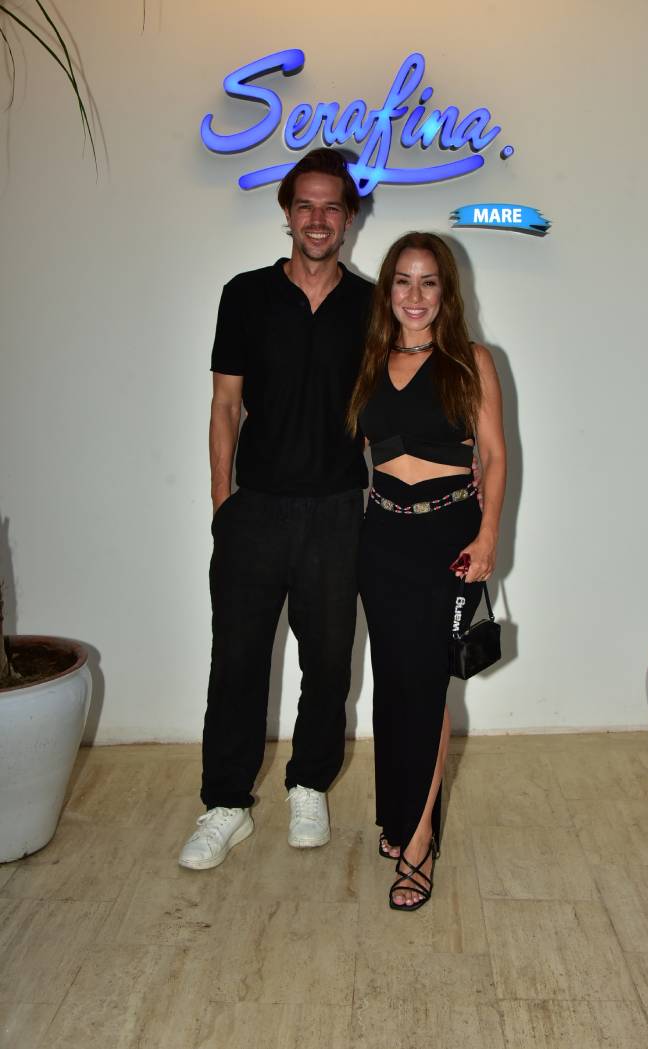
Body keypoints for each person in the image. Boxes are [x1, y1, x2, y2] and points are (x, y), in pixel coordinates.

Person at [179, 149, 374, 870]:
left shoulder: (371, 305)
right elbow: (225, 404)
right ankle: (225, 804)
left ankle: (309, 785)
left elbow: (387, 411)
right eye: (306, 205)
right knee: (235, 661)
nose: (318, 219)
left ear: (348, 219)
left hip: (336, 511)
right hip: (255, 509)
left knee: (327, 664)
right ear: (287, 213)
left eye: (332, 207)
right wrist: (222, 502)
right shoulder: (245, 295)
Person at [347, 232, 506, 910]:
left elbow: (494, 455)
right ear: (388, 290)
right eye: (403, 281)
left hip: (448, 540)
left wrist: (488, 535)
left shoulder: (470, 360)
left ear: (446, 292)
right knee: (393, 685)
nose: (415, 295)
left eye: (428, 281)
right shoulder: (369, 360)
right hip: (381, 539)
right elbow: (358, 452)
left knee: (426, 686)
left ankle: (418, 840)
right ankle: (398, 813)